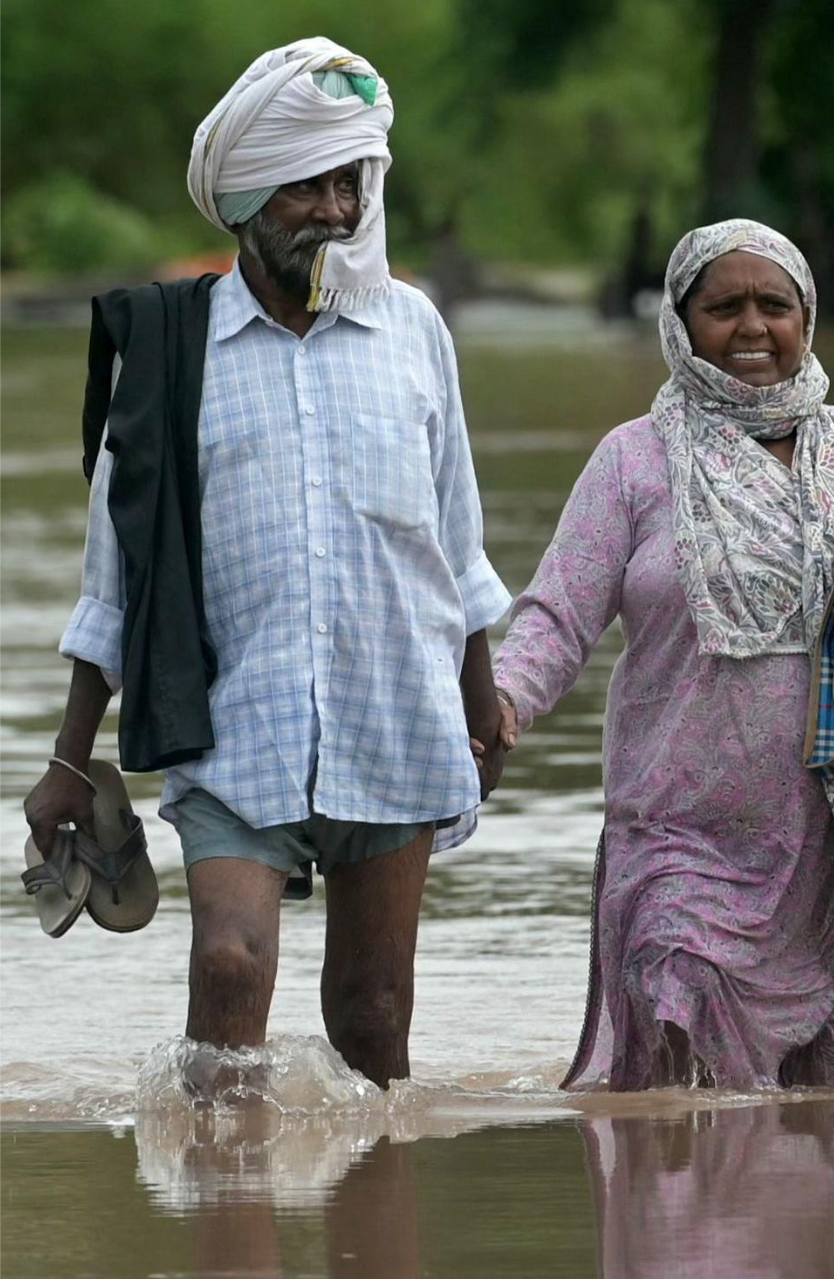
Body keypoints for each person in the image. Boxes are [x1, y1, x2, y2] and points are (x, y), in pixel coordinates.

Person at [20, 38, 512, 1089]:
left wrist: (483, 702)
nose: (336, 211)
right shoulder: (167, 352)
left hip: (395, 712)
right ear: (245, 202)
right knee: (228, 964)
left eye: (350, 185)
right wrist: (70, 757)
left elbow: (456, 541)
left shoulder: (413, 330)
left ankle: (373, 1230)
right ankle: (222, 1213)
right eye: (307, 189)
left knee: (372, 1016)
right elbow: (116, 578)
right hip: (233, 717)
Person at [493, 219, 834, 1091]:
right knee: (672, 1053)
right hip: (680, 834)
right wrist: (502, 706)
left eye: (774, 306)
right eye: (722, 306)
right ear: (680, 321)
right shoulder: (632, 461)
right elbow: (556, 614)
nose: (750, 328)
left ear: (806, 320)